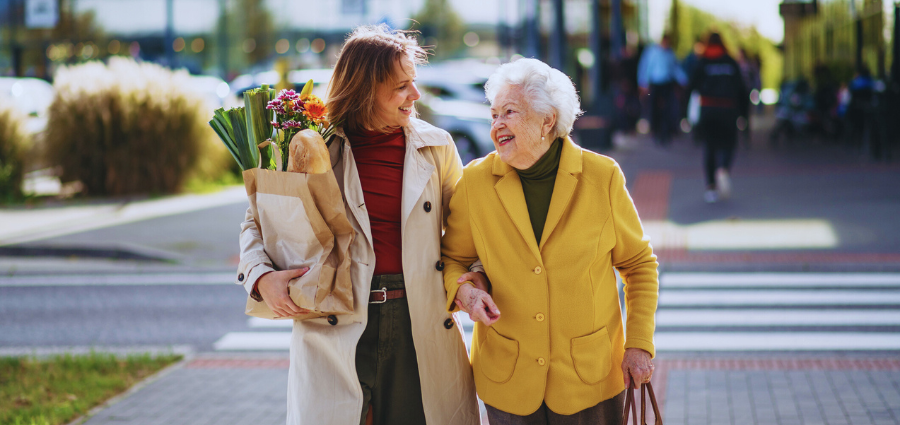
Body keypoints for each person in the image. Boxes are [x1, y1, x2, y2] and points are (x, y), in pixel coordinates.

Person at [237, 25, 482, 425]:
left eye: (413, 83)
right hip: (333, 325)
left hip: (417, 324)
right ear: (367, 88)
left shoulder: (437, 147)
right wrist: (261, 277)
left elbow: (466, 235)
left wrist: (473, 283)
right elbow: (257, 218)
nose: (415, 96)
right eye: (401, 86)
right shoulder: (309, 144)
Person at [441, 58, 660, 425]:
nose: (497, 125)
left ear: (547, 120)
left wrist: (638, 344)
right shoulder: (474, 182)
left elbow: (639, 265)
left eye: (509, 112)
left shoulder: (601, 177)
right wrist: (464, 294)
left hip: (588, 379)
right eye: (494, 114)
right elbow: (451, 261)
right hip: (509, 379)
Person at [687, 32, 747, 203]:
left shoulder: (702, 62)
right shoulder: (731, 62)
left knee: (710, 147)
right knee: (729, 143)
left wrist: (686, 116)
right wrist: (743, 115)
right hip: (728, 109)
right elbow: (742, 89)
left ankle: (711, 188)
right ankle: (723, 169)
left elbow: (692, 87)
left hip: (708, 109)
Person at [638, 33, 688, 146]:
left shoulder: (670, 53)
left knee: (668, 109)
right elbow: (646, 67)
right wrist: (643, 83)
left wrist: (683, 80)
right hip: (655, 84)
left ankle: (665, 132)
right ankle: (656, 131)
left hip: (667, 84)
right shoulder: (652, 52)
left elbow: (675, 69)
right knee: (654, 108)